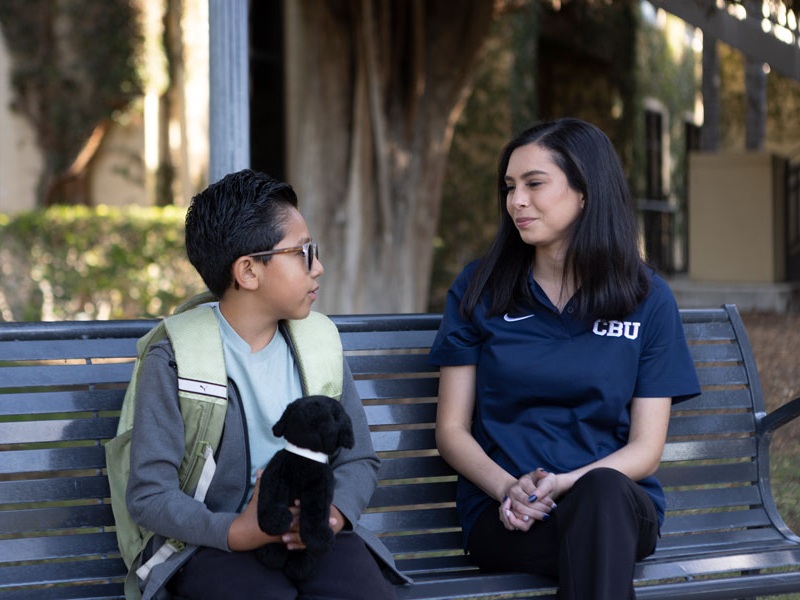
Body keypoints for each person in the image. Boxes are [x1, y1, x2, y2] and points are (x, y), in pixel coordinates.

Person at [429, 118, 701, 600]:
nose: (516, 201)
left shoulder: (646, 298)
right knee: (598, 550)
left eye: (534, 184)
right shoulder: (479, 290)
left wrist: (566, 483)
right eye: (510, 187)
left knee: (600, 498)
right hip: (509, 515)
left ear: (585, 192)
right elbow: (451, 430)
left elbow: (646, 447)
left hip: (614, 505)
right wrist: (508, 488)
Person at [126, 169, 402, 599]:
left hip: (311, 535)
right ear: (249, 271)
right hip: (212, 543)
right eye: (303, 252)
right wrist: (235, 530)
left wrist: (331, 515)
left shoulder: (319, 345)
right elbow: (149, 494)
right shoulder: (176, 358)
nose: (319, 266)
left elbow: (358, 459)